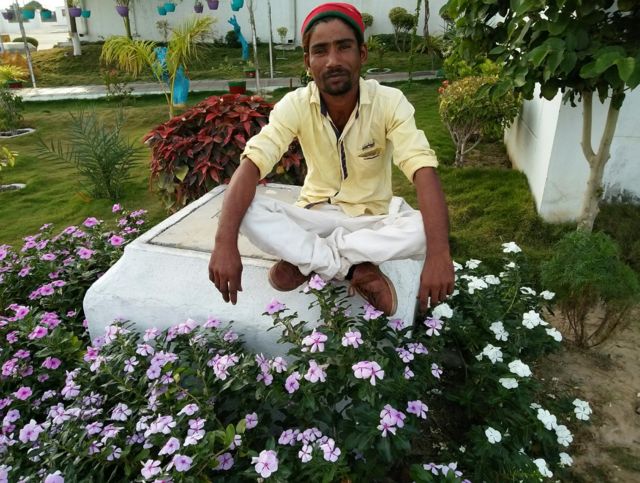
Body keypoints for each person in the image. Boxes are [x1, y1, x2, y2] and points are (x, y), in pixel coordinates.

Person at [209, 2, 454, 316]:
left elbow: (422, 168)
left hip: (371, 222)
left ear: (362, 54)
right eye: (320, 50)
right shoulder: (296, 104)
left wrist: (440, 253)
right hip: (315, 217)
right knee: (244, 211)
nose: (333, 61)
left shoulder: (390, 103)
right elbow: (253, 162)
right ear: (308, 61)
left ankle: (311, 260)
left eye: (344, 47)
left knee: (425, 231)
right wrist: (224, 243)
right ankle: (355, 268)